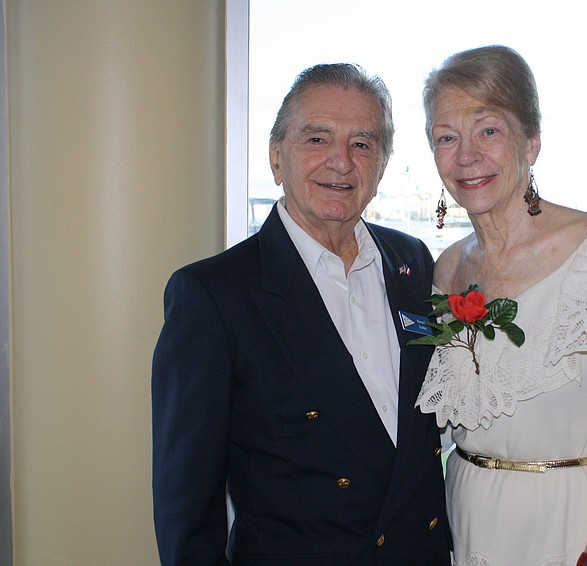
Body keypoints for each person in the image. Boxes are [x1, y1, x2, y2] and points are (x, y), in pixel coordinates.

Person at [152, 63, 452, 565]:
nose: (341, 162)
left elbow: (444, 410)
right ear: (276, 158)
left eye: (362, 143)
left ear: (381, 164)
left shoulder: (413, 264)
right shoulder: (213, 296)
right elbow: (187, 509)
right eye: (316, 139)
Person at [415, 45, 587, 566]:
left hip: (573, 531)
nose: (466, 155)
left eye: (489, 130)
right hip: (468, 525)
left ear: (532, 142)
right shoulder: (445, 270)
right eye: (446, 137)